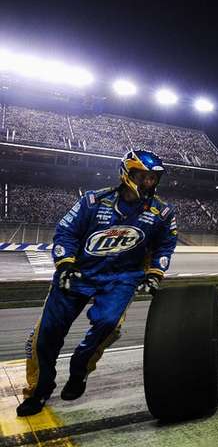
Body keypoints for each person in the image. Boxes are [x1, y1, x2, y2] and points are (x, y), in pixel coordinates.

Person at [17, 150, 178, 416]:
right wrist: (65, 263)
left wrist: (154, 274)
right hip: (77, 274)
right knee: (46, 335)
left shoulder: (162, 213)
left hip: (121, 278)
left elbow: (165, 246)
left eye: (153, 178)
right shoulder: (92, 201)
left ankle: (80, 367)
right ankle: (39, 390)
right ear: (128, 174)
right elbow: (66, 232)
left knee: (109, 324)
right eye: (144, 177)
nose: (149, 183)